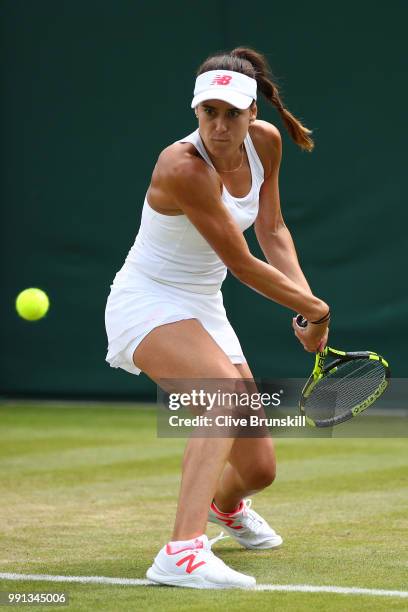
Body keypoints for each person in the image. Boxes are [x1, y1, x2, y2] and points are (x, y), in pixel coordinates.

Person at [105, 47, 330, 589]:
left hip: (203, 305)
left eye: (233, 113)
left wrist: (306, 303)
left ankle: (224, 508)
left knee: (258, 471)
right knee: (223, 399)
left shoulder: (267, 144)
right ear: (195, 112)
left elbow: (272, 232)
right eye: (210, 112)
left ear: (254, 112)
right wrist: (314, 309)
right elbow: (239, 260)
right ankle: (180, 553)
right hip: (148, 300)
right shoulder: (181, 166)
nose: (221, 125)